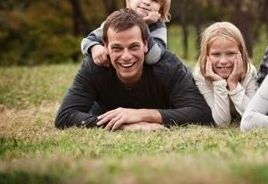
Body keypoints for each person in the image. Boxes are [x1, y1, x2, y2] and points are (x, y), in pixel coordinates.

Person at [55, 8, 213, 131]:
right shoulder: (94, 67)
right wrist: (124, 124)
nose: (126, 56)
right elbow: (65, 117)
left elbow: (201, 113)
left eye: (134, 47)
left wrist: (139, 115)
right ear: (105, 46)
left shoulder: (168, 66)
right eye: (117, 48)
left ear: (145, 44)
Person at [81, 0, 171, 66]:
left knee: (169, 60)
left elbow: (152, 58)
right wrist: (95, 48)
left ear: (161, 9)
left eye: (155, 0)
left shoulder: (158, 27)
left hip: (144, 76)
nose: (147, 2)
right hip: (115, 72)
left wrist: (143, 24)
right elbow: (87, 41)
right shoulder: (117, 21)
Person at [193, 22, 258, 126]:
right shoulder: (201, 75)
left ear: (241, 52)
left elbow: (254, 117)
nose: (223, 61)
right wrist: (218, 83)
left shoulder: (249, 71)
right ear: (206, 55)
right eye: (216, 54)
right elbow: (223, 123)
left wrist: (233, 83)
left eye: (230, 53)